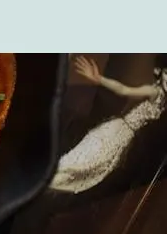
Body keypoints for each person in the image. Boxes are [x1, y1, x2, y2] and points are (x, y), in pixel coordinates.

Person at [50, 55, 167, 194]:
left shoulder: (162, 101)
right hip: (116, 130)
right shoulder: (154, 91)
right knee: (81, 164)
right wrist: (99, 79)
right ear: (162, 73)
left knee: (89, 170)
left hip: (124, 137)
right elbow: (124, 90)